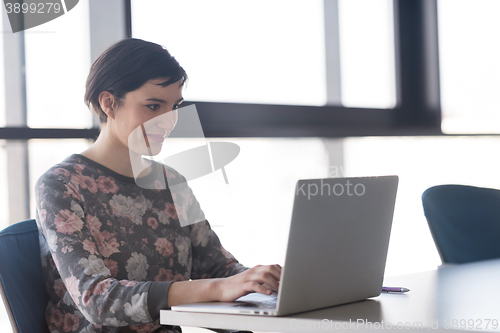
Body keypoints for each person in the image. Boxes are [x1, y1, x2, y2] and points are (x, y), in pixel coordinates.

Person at [35, 38, 281, 333]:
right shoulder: (61, 185)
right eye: (153, 106)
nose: (168, 122)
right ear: (109, 103)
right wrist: (216, 288)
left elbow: (219, 269)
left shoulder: (171, 182)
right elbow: (98, 300)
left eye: (174, 107)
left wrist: (268, 283)